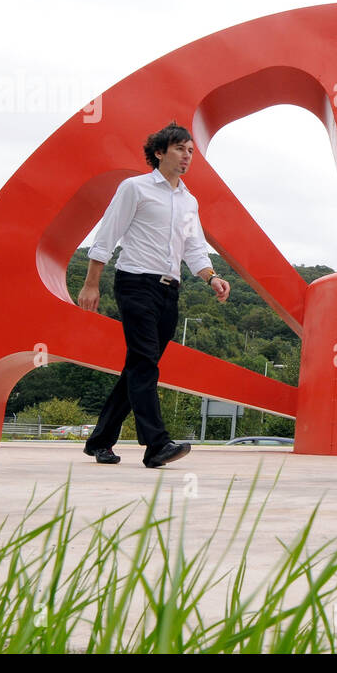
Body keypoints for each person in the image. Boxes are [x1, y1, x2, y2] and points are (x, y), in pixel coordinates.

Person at [77, 122, 230, 467]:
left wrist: (212, 277)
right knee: (145, 362)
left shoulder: (189, 201)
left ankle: (100, 440)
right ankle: (156, 445)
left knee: (138, 366)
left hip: (169, 291)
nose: (186, 156)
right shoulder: (135, 188)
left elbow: (194, 248)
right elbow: (108, 233)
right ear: (159, 153)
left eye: (190, 150)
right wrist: (91, 283)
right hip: (134, 283)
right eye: (179, 149)